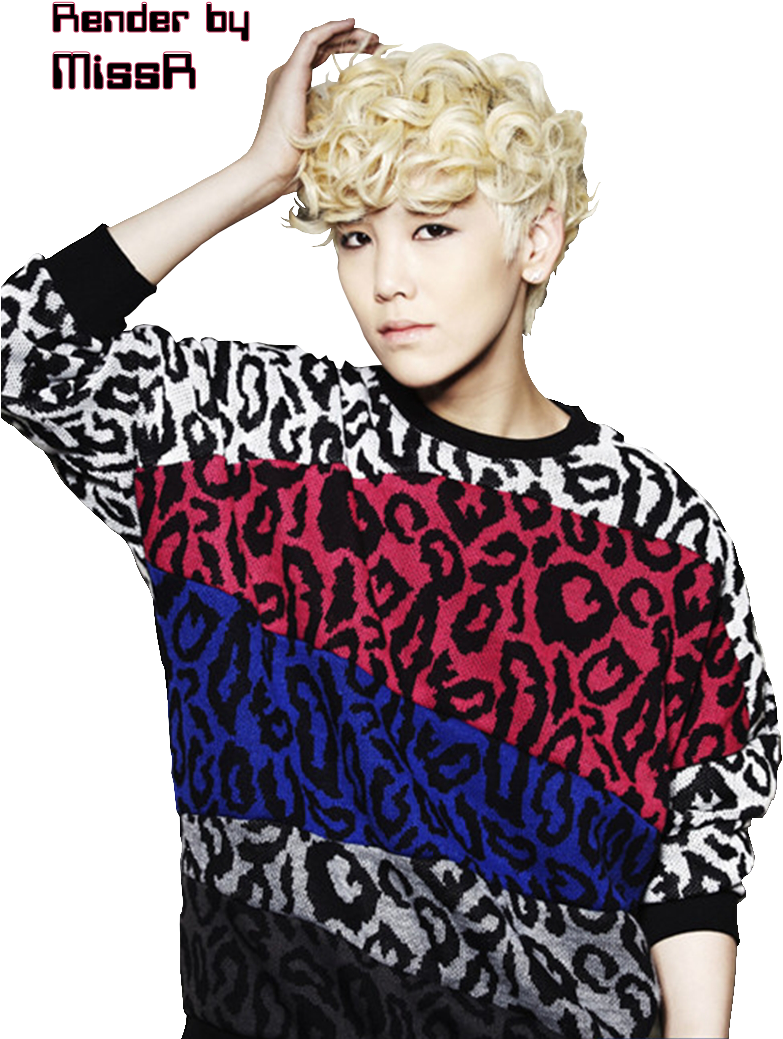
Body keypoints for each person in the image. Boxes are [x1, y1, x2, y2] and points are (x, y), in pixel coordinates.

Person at [2, 18, 778, 1039]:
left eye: (434, 228)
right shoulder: (248, 439)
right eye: (356, 236)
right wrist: (257, 173)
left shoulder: (660, 526)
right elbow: (33, 351)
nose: (386, 280)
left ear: (536, 239)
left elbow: (704, 833)